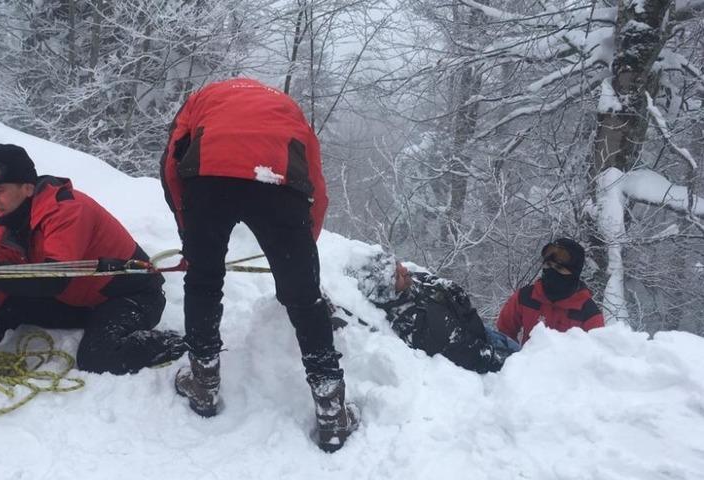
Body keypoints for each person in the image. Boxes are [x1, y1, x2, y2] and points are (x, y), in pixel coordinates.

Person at [160, 78, 359, 453]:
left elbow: (171, 162)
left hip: (208, 177)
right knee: (304, 299)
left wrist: (191, 238)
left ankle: (203, 385)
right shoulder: (287, 109)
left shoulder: (200, 100)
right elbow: (314, 181)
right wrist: (301, 258)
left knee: (203, 282)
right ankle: (332, 411)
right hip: (277, 181)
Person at [0, 144, 184, 388]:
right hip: (76, 299)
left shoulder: (67, 210)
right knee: (6, 307)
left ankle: (174, 343)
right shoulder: (6, 219)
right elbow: (5, 282)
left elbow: (52, 278)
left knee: (98, 359)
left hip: (129, 296)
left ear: (27, 187)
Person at [336, 253, 519, 374]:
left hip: (479, 329)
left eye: (397, 264)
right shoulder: (419, 323)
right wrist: (508, 362)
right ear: (388, 290)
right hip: (487, 346)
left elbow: (429, 282)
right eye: (397, 274)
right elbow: (468, 352)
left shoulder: (405, 288)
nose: (405, 270)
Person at [496, 237, 605, 344]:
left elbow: (597, 355)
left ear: (574, 274)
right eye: (548, 265)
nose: (551, 271)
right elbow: (504, 334)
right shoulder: (525, 297)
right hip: (527, 361)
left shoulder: (588, 313)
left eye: (559, 268)